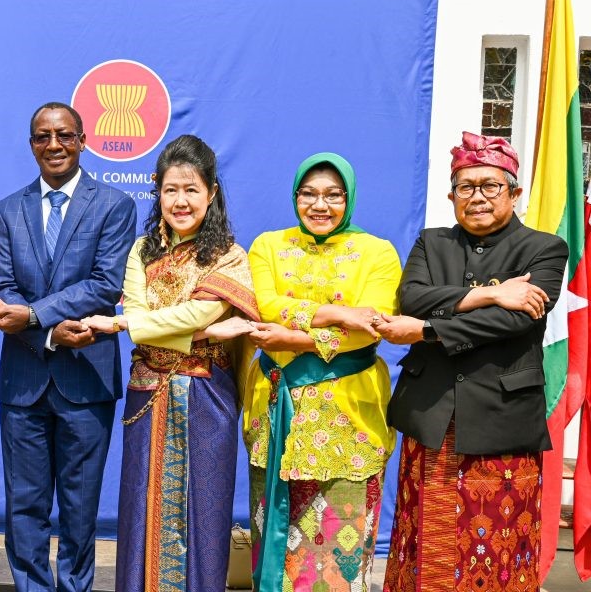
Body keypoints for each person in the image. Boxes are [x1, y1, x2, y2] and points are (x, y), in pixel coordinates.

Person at [378, 132, 568, 592]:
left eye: (490, 186)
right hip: (433, 414)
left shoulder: (545, 249)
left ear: (514, 192)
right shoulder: (432, 242)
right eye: (466, 187)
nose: (477, 197)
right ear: (451, 195)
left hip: (502, 420)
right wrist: (491, 293)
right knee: (426, 541)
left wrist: (426, 329)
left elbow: (514, 322)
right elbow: (412, 297)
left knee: (499, 548)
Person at [82, 134, 260, 590]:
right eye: (170, 190)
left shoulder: (229, 256)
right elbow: (152, 315)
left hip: (206, 396)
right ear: (157, 192)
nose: (180, 201)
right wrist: (202, 333)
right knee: (142, 506)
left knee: (205, 506)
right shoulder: (143, 251)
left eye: (191, 190)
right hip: (148, 396)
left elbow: (192, 312)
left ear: (212, 194)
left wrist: (124, 326)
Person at [0, 102, 136, 592]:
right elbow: (2, 289)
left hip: (86, 378)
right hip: (25, 379)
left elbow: (104, 285)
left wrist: (32, 314)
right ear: (31, 144)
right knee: (24, 505)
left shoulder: (114, 205)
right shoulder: (8, 210)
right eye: (43, 137)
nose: (54, 145)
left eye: (64, 135)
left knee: (79, 505)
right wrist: (46, 330)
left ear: (83, 140)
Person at [242, 153, 402, 592]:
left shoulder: (378, 253)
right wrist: (335, 313)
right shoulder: (268, 246)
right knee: (277, 534)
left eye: (334, 195)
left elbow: (370, 327)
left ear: (348, 200)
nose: (320, 205)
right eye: (309, 194)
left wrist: (294, 339)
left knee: (341, 550)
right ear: (295, 197)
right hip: (278, 412)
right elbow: (266, 305)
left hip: (349, 416)